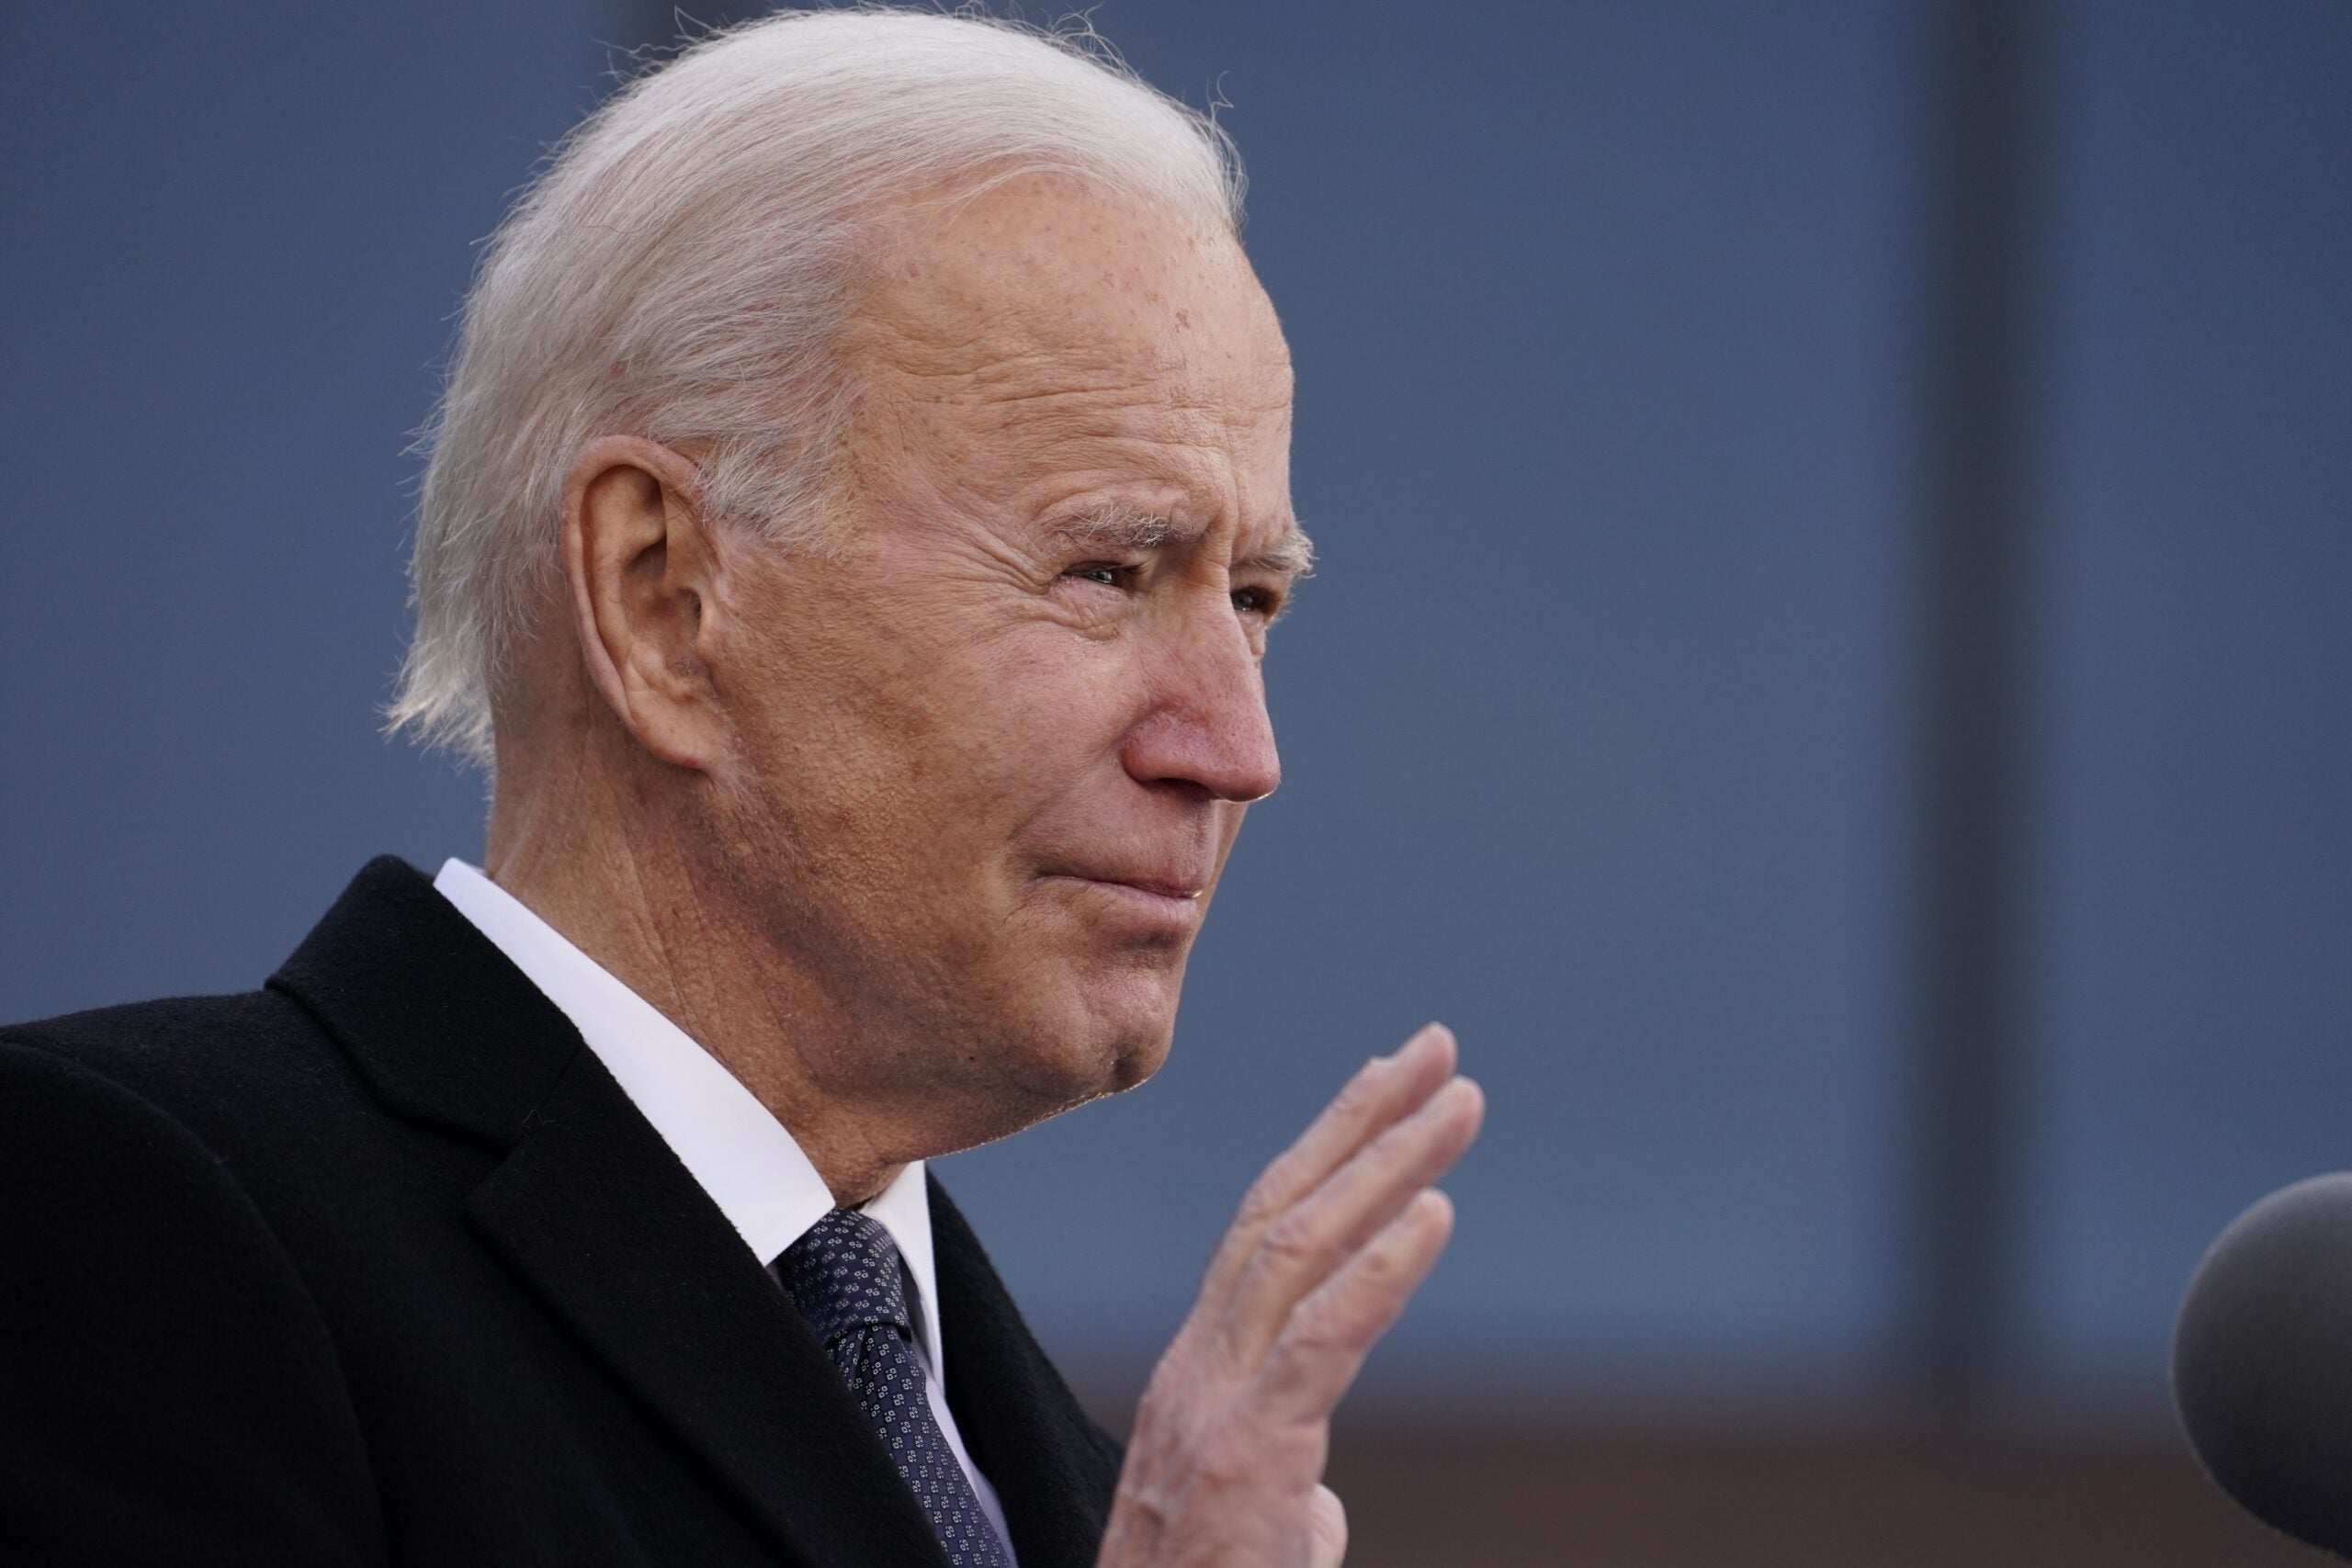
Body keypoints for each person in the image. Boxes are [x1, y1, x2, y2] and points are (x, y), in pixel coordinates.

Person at [0, 10, 1483, 1567]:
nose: (1236, 752)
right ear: (663, 598)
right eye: (1107, 571)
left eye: (1254, 599)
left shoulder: (1078, 1485)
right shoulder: (120, 1230)